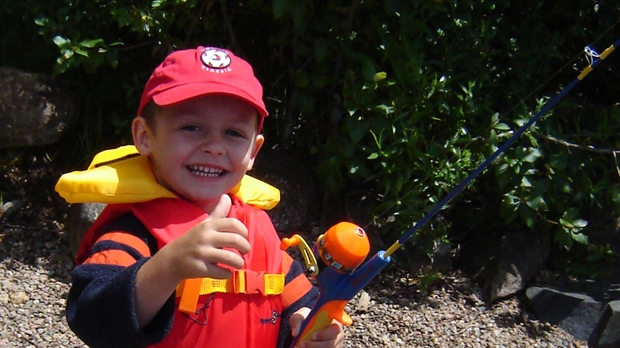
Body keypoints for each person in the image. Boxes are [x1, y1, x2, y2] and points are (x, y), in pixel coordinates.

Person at [64, 46, 344, 348]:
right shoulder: (133, 233)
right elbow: (91, 319)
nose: (214, 146)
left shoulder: (260, 232)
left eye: (234, 133)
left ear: (253, 152)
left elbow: (302, 304)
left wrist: (311, 329)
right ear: (145, 137)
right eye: (191, 127)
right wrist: (168, 267)